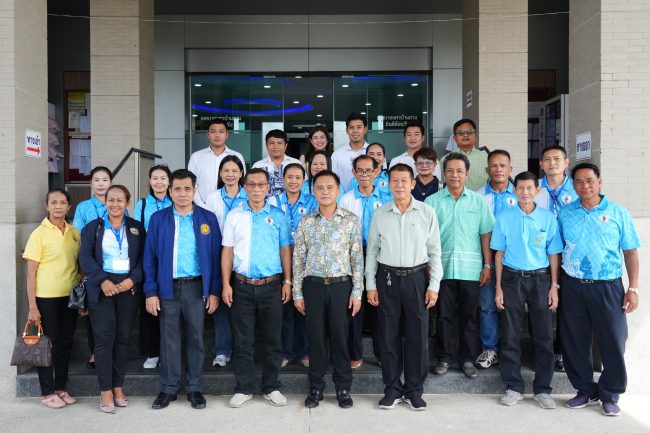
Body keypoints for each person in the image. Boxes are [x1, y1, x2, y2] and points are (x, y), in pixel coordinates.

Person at [558, 163, 640, 417]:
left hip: (608, 286)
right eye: (579, 182)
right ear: (573, 185)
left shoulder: (617, 212)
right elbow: (556, 250)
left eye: (590, 180)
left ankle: (610, 393)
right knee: (574, 340)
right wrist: (556, 285)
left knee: (613, 340)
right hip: (572, 285)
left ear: (599, 182)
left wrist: (633, 288)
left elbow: (630, 251)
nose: (585, 186)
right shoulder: (565, 213)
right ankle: (584, 389)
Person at [366, 163, 443, 411]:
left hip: (417, 279)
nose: (399, 185)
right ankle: (392, 389)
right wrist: (370, 284)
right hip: (387, 278)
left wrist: (434, 286)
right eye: (394, 181)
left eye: (404, 180)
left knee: (417, 337)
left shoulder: (426, 212)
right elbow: (372, 251)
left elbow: (435, 252)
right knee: (388, 336)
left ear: (413, 183)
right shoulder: (380, 214)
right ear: (388, 185)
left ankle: (414, 391)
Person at [144, 169, 221, 410]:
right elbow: (149, 258)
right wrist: (150, 292)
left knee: (196, 338)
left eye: (187, 188)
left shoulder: (207, 219)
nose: (182, 193)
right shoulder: (159, 219)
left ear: (195, 190)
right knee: (169, 340)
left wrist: (214, 291)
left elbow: (216, 257)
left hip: (197, 288)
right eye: (177, 189)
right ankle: (168, 388)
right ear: (170, 191)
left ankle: (195, 388)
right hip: (167, 288)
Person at [221, 168, 292, 408]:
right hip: (241, 285)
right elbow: (227, 251)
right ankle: (244, 388)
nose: (257, 189)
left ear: (268, 188)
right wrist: (226, 284)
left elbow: (285, 249)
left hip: (272, 286)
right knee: (243, 340)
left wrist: (288, 281)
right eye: (251, 184)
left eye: (261, 184)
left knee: (273, 339)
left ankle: (271, 387)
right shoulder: (235, 215)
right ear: (245, 187)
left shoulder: (278, 216)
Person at [292, 170, 363, 409]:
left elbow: (357, 258)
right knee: (316, 340)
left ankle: (343, 388)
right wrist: (297, 293)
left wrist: (357, 292)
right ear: (313, 191)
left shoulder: (350, 220)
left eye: (329, 187)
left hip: (341, 286)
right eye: (320, 187)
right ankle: (316, 388)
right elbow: (298, 259)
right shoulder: (306, 221)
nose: (325, 192)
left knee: (341, 339)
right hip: (313, 287)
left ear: (338, 190)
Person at [491, 171, 562, 409]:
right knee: (510, 333)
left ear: (537, 190)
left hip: (540, 280)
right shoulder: (504, 217)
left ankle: (543, 389)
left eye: (529, 188)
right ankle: (513, 386)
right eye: (520, 188)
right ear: (514, 191)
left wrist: (554, 286)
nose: (525, 192)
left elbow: (553, 254)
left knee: (544, 335)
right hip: (511, 278)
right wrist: (498, 287)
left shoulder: (547, 218)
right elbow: (499, 254)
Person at [425, 152, 495, 379]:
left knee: (469, 316)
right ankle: (444, 358)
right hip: (442, 269)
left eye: (459, 171)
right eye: (450, 171)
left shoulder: (479, 201)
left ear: (467, 174)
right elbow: (425, 238)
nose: (454, 175)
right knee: (443, 316)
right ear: (443, 174)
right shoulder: (432, 202)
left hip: (471, 270)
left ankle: (467, 359)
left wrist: (487, 265)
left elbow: (485, 235)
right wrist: (428, 265)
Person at [78, 185, 146, 413]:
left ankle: (118, 386)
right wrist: (101, 281)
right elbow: (85, 257)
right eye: (111, 200)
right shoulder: (93, 227)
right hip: (102, 287)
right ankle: (105, 389)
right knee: (104, 339)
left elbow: (144, 259)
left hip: (128, 288)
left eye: (120, 200)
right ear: (104, 202)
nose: (115, 204)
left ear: (128, 203)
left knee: (122, 339)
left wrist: (132, 280)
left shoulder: (136, 228)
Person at [22, 189, 81, 409]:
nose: (58, 206)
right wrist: (32, 306)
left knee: (65, 343)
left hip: (70, 297)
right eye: (54, 202)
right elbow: (30, 274)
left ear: (69, 206)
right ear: (46, 206)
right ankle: (47, 392)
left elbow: (79, 265)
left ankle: (60, 388)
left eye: (62, 203)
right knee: (47, 345)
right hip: (46, 298)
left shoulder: (74, 232)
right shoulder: (39, 233)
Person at [340, 155, 392, 368]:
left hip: (380, 254)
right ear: (353, 173)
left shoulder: (386, 198)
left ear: (376, 172)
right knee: (354, 304)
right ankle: (355, 354)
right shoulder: (346, 199)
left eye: (368, 170)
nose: (364, 175)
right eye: (359, 171)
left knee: (380, 304)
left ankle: (381, 353)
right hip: (354, 253)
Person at [534, 145, 578, 372]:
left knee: (566, 306)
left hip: (570, 255)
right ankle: (541, 351)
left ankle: (561, 350)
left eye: (557, 159)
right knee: (539, 305)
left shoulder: (577, 188)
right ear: (541, 164)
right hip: (540, 256)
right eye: (547, 159)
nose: (552, 163)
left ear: (566, 162)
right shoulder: (534, 188)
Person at [269, 163, 317, 369]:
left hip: (306, 262)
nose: (294, 181)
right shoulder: (273, 201)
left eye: (298, 177)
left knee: (305, 309)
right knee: (284, 310)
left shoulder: (312, 201)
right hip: (280, 262)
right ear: (283, 179)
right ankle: (286, 352)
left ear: (304, 180)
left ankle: (304, 351)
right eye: (289, 177)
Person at [474, 150, 518, 370]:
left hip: (514, 261)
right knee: (487, 306)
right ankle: (490, 348)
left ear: (510, 168)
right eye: (494, 165)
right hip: (487, 259)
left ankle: (510, 350)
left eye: (503, 165)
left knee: (512, 307)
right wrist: (486, 263)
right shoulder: (478, 196)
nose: (498, 169)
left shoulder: (520, 194)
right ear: (487, 169)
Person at [202, 155, 247, 368]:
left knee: (242, 308)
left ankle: (242, 351)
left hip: (243, 255)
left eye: (234, 171)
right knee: (221, 306)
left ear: (241, 173)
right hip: (218, 253)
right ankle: (222, 350)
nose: (230, 174)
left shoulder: (249, 195)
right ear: (220, 174)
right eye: (226, 171)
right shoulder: (213, 197)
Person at [73, 165, 114, 371]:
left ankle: (110, 350)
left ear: (111, 183)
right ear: (90, 183)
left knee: (111, 311)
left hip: (113, 265)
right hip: (90, 265)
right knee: (91, 310)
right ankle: (94, 351)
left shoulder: (116, 203)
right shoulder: (83, 207)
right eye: (96, 180)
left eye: (105, 180)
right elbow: (78, 237)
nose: (101, 184)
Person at [134, 164, 173, 370]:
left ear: (169, 181)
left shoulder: (175, 202)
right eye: (155, 178)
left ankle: (169, 352)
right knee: (150, 308)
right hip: (148, 260)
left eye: (163, 178)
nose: (159, 182)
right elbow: (135, 233)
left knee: (170, 308)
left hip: (171, 261)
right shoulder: (142, 205)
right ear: (149, 181)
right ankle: (152, 352)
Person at [188, 119, 246, 205]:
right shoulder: (196, 157)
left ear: (226, 135)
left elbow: (242, 183)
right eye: (213, 131)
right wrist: (202, 205)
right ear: (208, 135)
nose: (217, 135)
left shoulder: (237, 156)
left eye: (221, 131)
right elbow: (191, 184)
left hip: (232, 206)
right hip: (203, 206)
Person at [439, 119, 489, 191]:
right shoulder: (444, 160)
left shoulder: (487, 159)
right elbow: (440, 185)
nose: (465, 135)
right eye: (461, 133)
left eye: (469, 132)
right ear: (454, 138)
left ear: (475, 136)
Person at [252, 129, 302, 197]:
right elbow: (252, 187)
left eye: (280, 143)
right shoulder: (258, 166)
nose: (276, 146)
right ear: (266, 145)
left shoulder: (296, 163)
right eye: (272, 143)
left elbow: (303, 186)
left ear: (286, 146)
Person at [331, 113, 370, 191]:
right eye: (351, 127)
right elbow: (333, 181)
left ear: (365, 129)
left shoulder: (374, 153)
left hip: (371, 197)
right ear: (347, 130)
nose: (355, 131)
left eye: (359, 127)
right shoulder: (337, 155)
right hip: (343, 197)